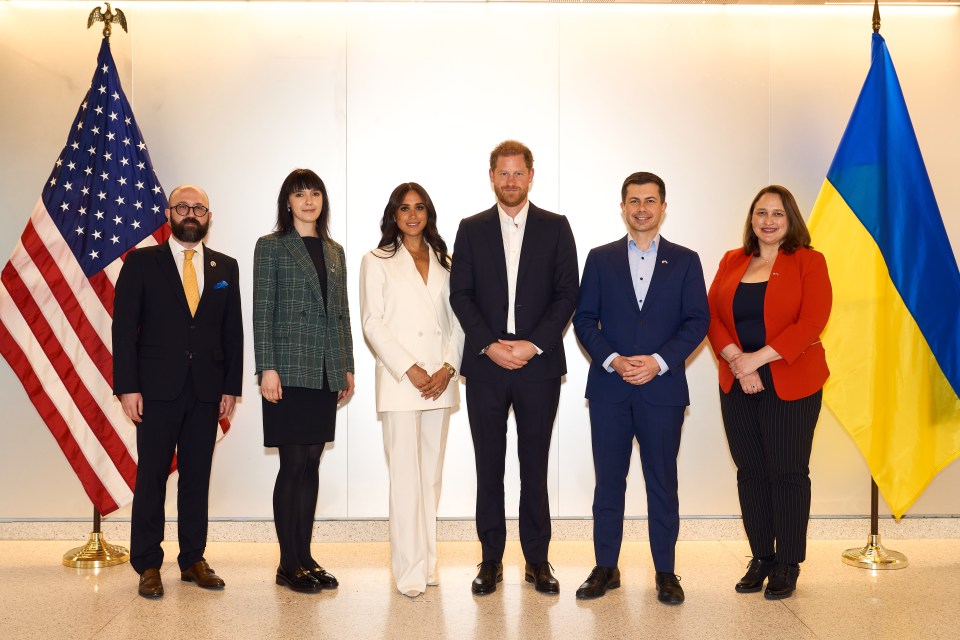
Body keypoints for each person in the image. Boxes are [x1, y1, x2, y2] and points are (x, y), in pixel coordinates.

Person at [572, 172, 709, 605]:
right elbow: (584, 320)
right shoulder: (600, 257)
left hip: (662, 389)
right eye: (634, 200)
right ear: (623, 207)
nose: (642, 208)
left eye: (651, 200)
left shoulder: (686, 260)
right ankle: (605, 567)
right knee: (608, 483)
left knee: (662, 484)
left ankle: (666, 572)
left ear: (663, 207)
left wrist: (658, 362)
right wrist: (612, 359)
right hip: (611, 389)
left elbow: (697, 322)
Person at [449, 140, 579, 596]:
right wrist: (489, 345)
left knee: (534, 467)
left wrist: (531, 345)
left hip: (537, 367)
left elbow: (567, 294)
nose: (510, 181)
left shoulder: (556, 227)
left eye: (517, 173)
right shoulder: (470, 229)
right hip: (486, 367)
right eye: (502, 174)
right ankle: (490, 561)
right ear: (491, 176)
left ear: (530, 175)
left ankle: (538, 562)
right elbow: (459, 294)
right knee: (489, 466)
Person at [113, 184, 243, 599]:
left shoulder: (226, 267)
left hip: (206, 391)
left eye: (199, 208)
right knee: (151, 478)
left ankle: (192, 560)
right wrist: (127, 387)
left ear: (209, 216)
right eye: (183, 207)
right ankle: (148, 563)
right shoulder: (140, 263)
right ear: (169, 213)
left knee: (196, 478)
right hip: (154, 391)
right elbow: (123, 329)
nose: (191, 214)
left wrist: (231, 388)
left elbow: (232, 332)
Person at [706, 185, 831, 600]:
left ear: (790, 219)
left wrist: (756, 360)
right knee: (751, 473)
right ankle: (761, 556)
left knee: (788, 473)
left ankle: (788, 562)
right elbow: (710, 316)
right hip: (737, 381)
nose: (769, 220)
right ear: (752, 218)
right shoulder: (732, 260)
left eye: (778, 213)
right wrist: (738, 363)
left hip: (791, 381)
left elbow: (812, 321)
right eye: (761, 212)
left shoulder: (809, 262)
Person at [359, 182, 465, 598]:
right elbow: (372, 322)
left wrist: (449, 367)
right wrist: (411, 368)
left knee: (430, 478)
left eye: (420, 207)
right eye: (404, 208)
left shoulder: (446, 260)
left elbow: (459, 321)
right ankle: (408, 571)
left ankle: (429, 563)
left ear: (428, 213)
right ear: (394, 215)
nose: (413, 215)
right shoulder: (377, 260)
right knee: (405, 478)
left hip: (440, 381)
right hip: (402, 381)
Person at [253, 169, 355, 593]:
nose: (308, 201)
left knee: (312, 463)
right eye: (300, 195)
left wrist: (345, 366)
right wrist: (267, 367)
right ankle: (286, 562)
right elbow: (263, 309)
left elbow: (342, 313)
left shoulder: (334, 251)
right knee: (292, 464)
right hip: (288, 369)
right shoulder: (271, 247)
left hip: (324, 370)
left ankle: (306, 556)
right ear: (288, 202)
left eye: (314, 194)